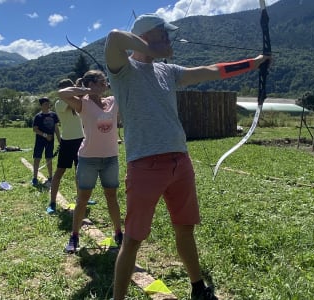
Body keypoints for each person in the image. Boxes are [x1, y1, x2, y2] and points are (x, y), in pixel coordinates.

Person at [104, 13, 272, 300]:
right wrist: (152, 50)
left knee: (185, 228)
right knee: (132, 239)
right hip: (145, 164)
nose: (169, 38)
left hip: (180, 162)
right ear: (147, 36)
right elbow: (115, 38)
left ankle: (197, 287)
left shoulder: (167, 72)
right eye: (163, 34)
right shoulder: (123, 70)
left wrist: (255, 63)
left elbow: (212, 70)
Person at [58, 70, 123, 253]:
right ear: (91, 84)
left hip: (111, 158)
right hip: (88, 159)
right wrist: (84, 90)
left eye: (105, 82)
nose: (105, 84)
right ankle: (74, 236)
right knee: (82, 199)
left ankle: (119, 233)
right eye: (102, 82)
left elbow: (125, 89)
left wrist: (105, 87)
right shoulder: (82, 103)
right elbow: (61, 93)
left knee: (112, 197)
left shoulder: (111, 101)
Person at [46, 79, 85, 214]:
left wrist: (81, 87)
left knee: (80, 172)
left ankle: (81, 198)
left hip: (81, 140)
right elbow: (71, 101)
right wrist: (79, 88)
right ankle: (52, 202)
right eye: (69, 89)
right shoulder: (59, 103)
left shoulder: (76, 100)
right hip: (67, 141)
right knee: (59, 172)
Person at [31, 97, 60, 186]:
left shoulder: (53, 115)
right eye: (45, 104)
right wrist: (45, 135)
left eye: (48, 104)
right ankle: (35, 178)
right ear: (41, 105)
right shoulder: (38, 116)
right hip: (40, 140)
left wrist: (60, 140)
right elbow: (35, 129)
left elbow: (56, 128)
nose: (47, 106)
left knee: (49, 158)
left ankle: (50, 177)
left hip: (50, 141)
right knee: (37, 158)